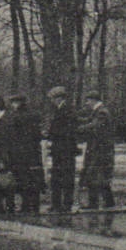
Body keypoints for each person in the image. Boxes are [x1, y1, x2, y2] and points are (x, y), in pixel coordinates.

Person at [77, 93, 116, 231]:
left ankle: (100, 203)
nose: (87, 103)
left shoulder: (102, 112)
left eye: (88, 100)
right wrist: (75, 120)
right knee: (96, 176)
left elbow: (95, 125)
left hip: (100, 151)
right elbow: (88, 120)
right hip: (97, 150)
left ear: (94, 100)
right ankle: (103, 203)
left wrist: (79, 128)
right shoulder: (97, 111)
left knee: (97, 176)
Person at [4, 94, 45, 220]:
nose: (13, 105)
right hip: (34, 153)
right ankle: (35, 206)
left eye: (14, 103)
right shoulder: (34, 115)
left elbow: (11, 136)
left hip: (19, 154)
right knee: (34, 178)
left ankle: (26, 205)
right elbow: (38, 134)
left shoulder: (14, 117)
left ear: (17, 103)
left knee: (22, 179)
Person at [44, 86, 78, 222]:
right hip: (58, 149)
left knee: (67, 176)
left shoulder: (69, 110)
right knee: (56, 177)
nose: (52, 101)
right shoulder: (58, 110)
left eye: (53, 98)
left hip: (67, 149)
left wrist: (51, 134)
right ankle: (56, 204)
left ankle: (66, 204)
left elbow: (68, 130)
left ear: (59, 98)